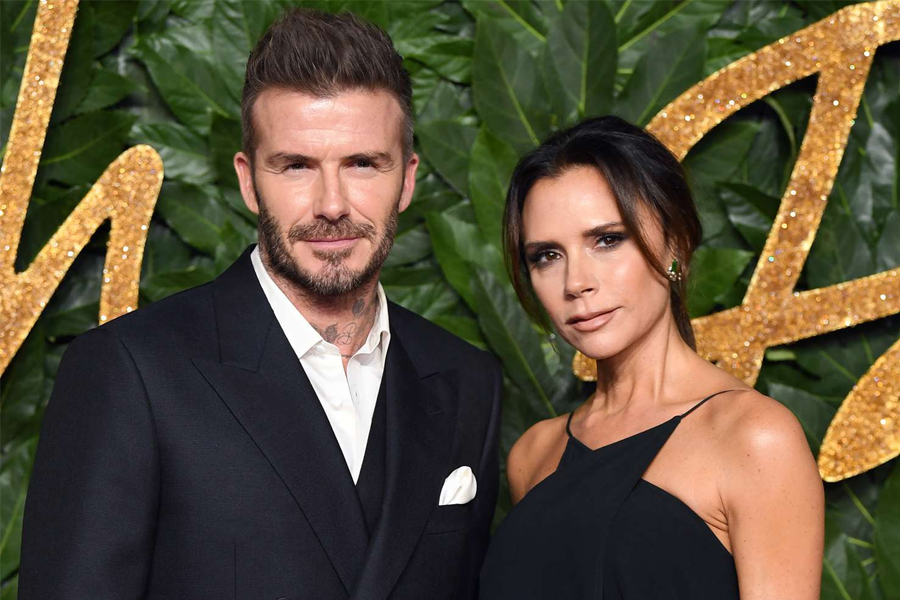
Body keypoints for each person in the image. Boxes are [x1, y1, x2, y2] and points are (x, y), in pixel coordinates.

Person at [19, 8, 501, 600]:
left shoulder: (468, 382)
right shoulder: (130, 371)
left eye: (362, 164)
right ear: (249, 181)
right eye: (296, 166)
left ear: (406, 178)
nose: (332, 205)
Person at [479, 116, 824, 599]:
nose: (576, 283)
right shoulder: (534, 455)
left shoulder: (754, 438)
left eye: (607, 240)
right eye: (547, 256)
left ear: (675, 242)